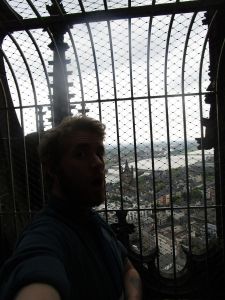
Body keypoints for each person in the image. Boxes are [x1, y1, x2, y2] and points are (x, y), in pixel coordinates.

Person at [0, 115, 142, 300]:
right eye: (80, 154)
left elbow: (129, 270)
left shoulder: (92, 219)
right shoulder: (46, 234)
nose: (98, 163)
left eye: (99, 152)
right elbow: (36, 270)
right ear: (52, 168)